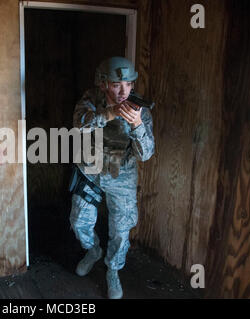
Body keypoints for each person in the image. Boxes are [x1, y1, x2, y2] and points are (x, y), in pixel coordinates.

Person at [69, 57, 155, 299]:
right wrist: (109, 114)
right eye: (117, 85)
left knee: (121, 228)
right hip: (91, 169)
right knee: (79, 221)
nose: (123, 91)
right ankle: (93, 250)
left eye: (128, 84)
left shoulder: (140, 109)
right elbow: (79, 125)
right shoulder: (90, 99)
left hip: (122, 174)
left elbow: (146, 154)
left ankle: (113, 270)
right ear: (104, 84)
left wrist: (137, 124)